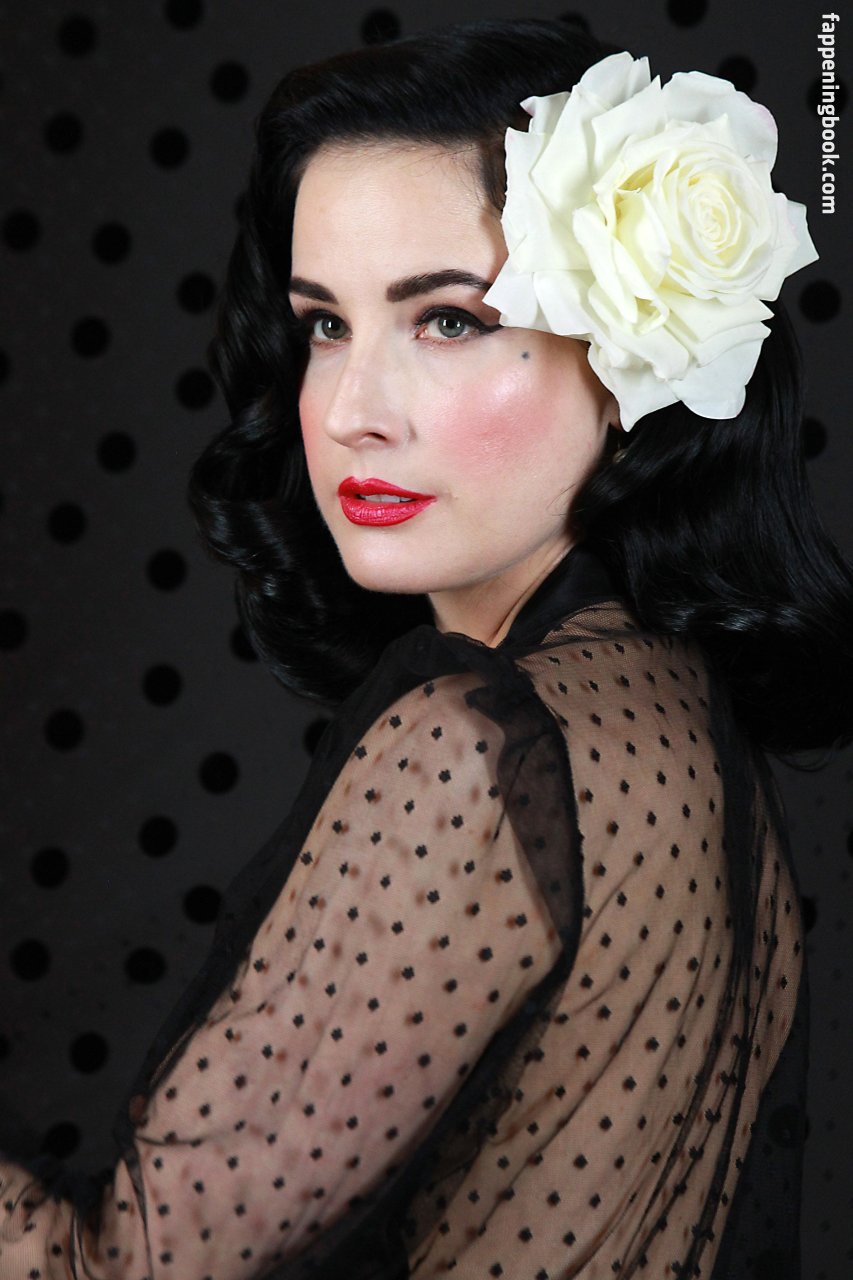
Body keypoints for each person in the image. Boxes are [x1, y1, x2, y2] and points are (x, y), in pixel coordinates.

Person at [2, 16, 852, 1280]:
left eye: (447, 320)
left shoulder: (473, 755)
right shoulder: (673, 704)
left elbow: (109, 1268)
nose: (353, 410)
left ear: (633, 352)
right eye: (323, 326)